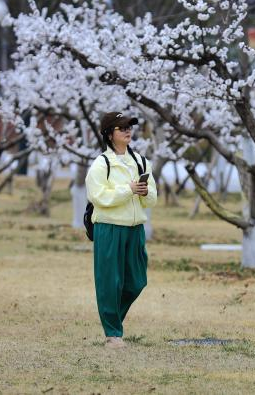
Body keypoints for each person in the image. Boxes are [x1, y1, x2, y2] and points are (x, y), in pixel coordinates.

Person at [86, 111, 157, 349]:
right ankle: (113, 334)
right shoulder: (101, 164)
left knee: (137, 281)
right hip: (109, 228)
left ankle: (114, 320)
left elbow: (153, 197)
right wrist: (128, 190)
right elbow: (98, 197)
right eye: (121, 128)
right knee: (109, 282)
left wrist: (145, 192)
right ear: (109, 134)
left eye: (129, 126)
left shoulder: (141, 161)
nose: (128, 131)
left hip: (135, 229)